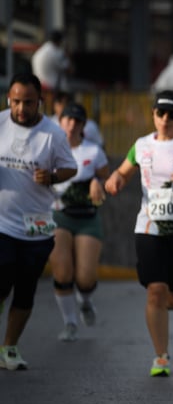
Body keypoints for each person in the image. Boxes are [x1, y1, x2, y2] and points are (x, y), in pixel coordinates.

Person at [104, 90, 173, 376]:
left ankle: (158, 308)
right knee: (156, 291)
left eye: (171, 115)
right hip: (149, 227)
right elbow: (122, 173)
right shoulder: (141, 145)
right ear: (153, 114)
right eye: (160, 114)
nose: (165, 119)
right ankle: (161, 357)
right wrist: (114, 181)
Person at [0, 73, 77, 370]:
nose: (21, 108)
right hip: (3, 224)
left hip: (37, 226)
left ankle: (9, 348)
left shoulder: (53, 134)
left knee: (25, 289)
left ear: (39, 102)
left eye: (28, 103)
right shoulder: (2, 123)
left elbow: (69, 168)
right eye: (15, 101)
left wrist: (53, 176)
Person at [48, 103, 110, 341]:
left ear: (84, 126)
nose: (72, 125)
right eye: (68, 120)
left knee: (85, 278)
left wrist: (97, 180)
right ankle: (70, 323)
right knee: (62, 273)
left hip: (87, 218)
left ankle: (85, 301)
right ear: (60, 122)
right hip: (59, 216)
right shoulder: (49, 150)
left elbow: (107, 178)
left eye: (77, 121)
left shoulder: (93, 151)